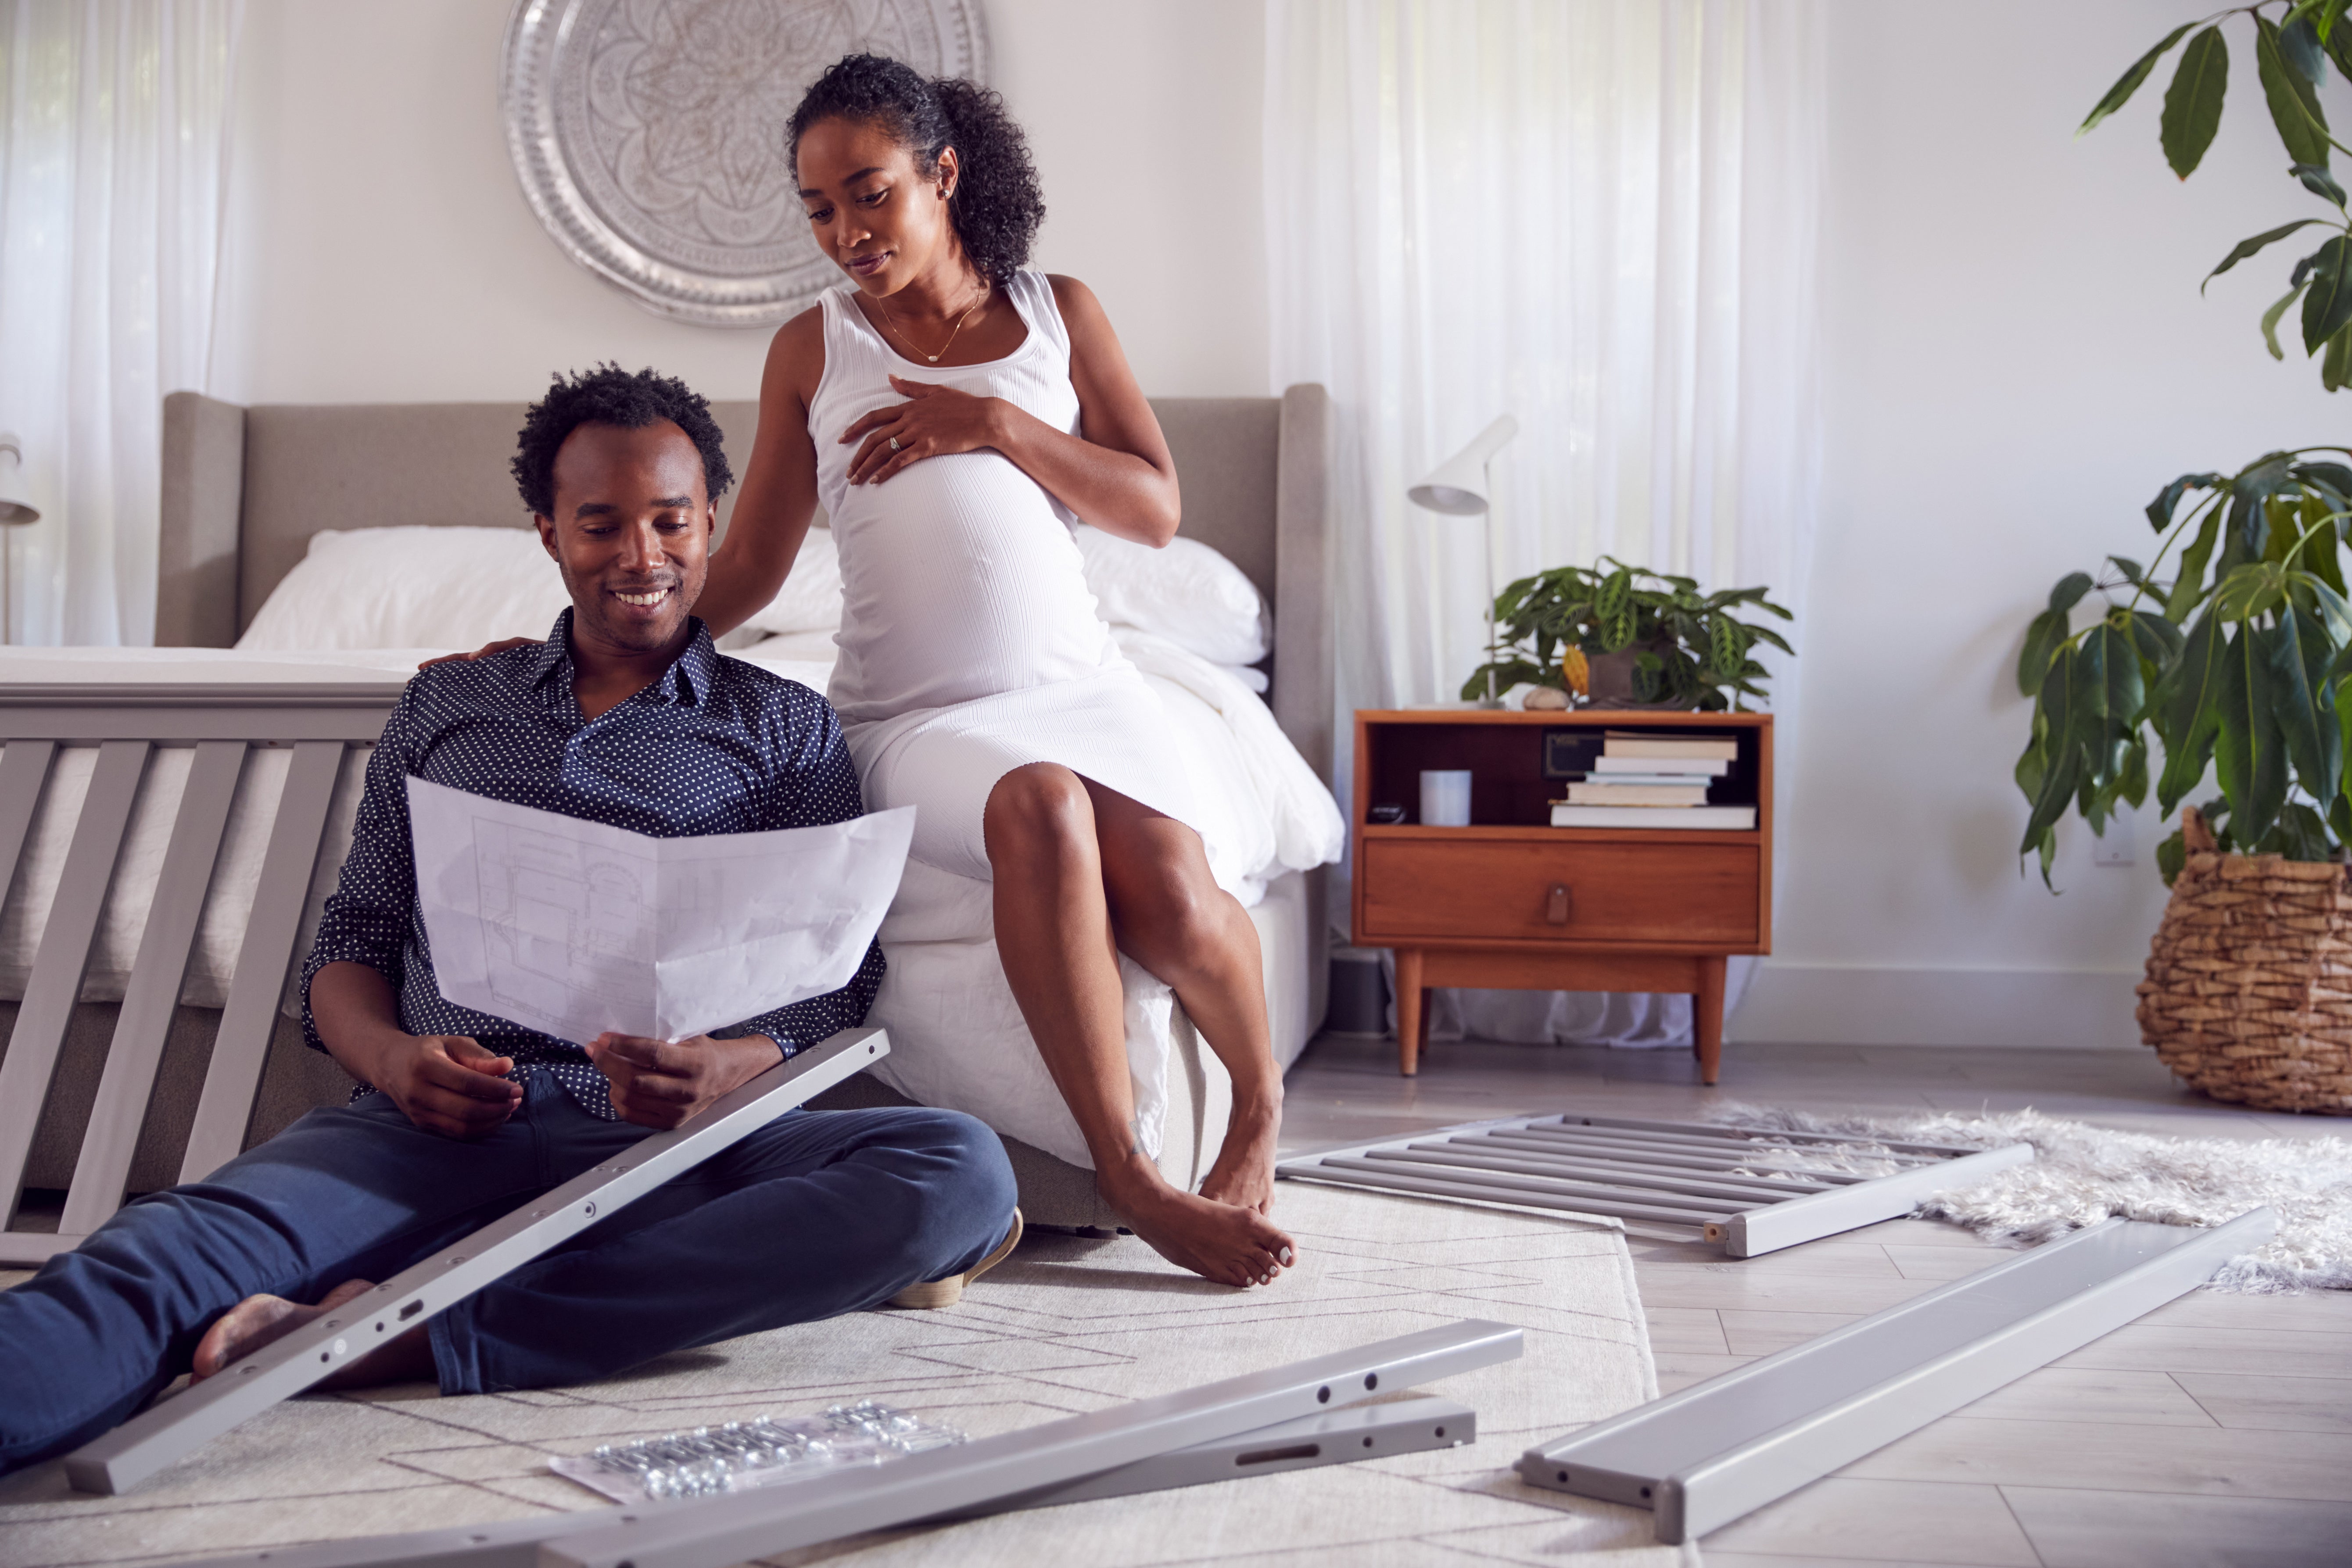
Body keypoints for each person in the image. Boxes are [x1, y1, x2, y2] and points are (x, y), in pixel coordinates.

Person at [0, 366, 1019, 1479]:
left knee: (957, 1170)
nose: (642, 555)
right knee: (161, 1246)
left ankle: (418, 1331)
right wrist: (396, 1061)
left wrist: (725, 1066)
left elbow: (836, 980)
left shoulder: (783, 725)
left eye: (672, 521)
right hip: (430, 1129)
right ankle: (417, 1277)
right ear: (547, 532)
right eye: (601, 524)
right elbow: (353, 938)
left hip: (669, 1140)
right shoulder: (449, 705)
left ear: (712, 522)